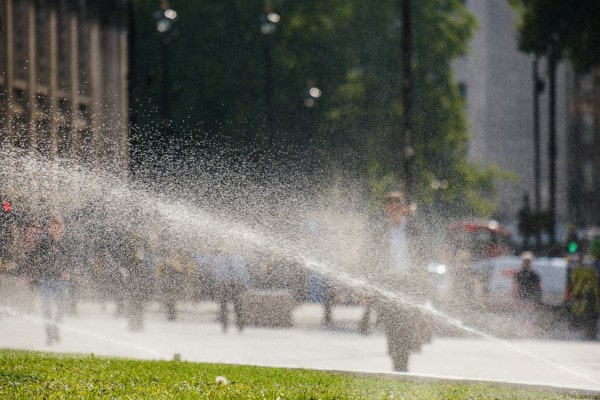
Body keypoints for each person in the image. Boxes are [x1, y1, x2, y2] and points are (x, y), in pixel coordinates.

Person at [363, 190, 431, 371]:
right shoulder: (379, 231)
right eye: (389, 209)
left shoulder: (413, 229)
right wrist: (365, 287)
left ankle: (403, 362)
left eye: (397, 208)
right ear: (386, 209)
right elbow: (369, 259)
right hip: (388, 284)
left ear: (403, 209)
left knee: (407, 323)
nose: (393, 212)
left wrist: (424, 286)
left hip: (409, 283)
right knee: (392, 324)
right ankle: (397, 362)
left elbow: (422, 259)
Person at [21, 217, 70, 345]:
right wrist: (27, 273)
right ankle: (49, 334)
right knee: (46, 308)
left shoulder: (67, 243)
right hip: (47, 279)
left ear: (62, 228)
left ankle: (55, 328)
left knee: (62, 307)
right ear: (50, 228)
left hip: (61, 281)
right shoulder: (44, 242)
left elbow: (74, 259)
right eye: (53, 227)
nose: (56, 229)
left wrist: (69, 271)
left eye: (58, 227)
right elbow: (31, 257)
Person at [212, 248, 251, 332]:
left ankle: (240, 325)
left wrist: (245, 283)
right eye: (226, 247)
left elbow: (243, 272)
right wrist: (221, 279)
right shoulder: (219, 259)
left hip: (235, 285)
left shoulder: (238, 258)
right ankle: (224, 324)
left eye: (231, 246)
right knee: (223, 306)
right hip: (224, 285)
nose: (228, 249)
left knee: (238, 306)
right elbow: (216, 271)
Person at [512, 252, 542, 333]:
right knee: (519, 316)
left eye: (528, 261)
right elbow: (515, 287)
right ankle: (518, 331)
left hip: (530, 300)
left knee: (529, 316)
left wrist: (537, 300)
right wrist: (513, 298)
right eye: (525, 261)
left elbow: (539, 288)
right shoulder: (519, 274)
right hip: (520, 299)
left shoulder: (534, 275)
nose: (526, 263)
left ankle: (528, 332)